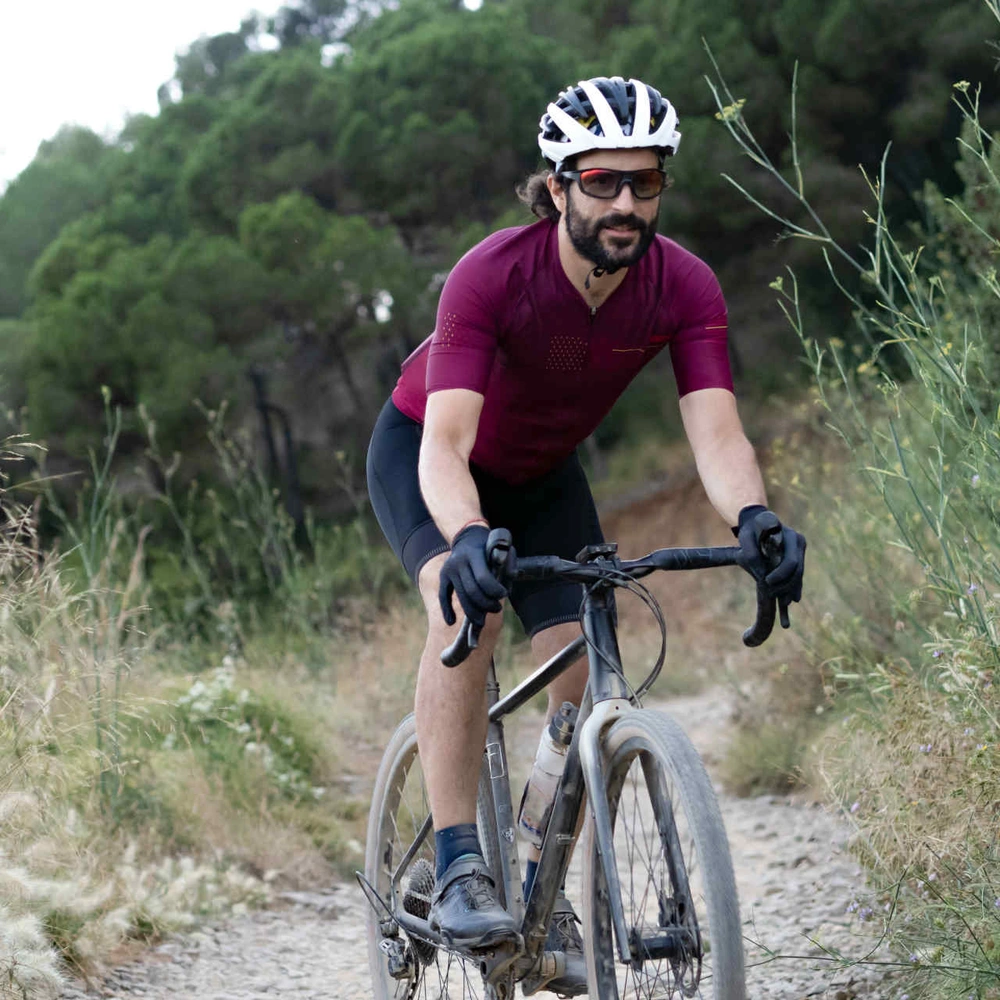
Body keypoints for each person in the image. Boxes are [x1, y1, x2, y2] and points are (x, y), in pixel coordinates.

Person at [366, 75, 806, 995]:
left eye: (645, 183)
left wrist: (754, 519)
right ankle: (457, 862)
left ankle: (538, 875)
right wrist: (466, 536)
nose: (626, 205)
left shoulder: (682, 285)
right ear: (559, 185)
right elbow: (444, 444)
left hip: (543, 477)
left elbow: (717, 433)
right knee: (467, 613)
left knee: (578, 662)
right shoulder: (493, 275)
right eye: (603, 182)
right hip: (430, 456)